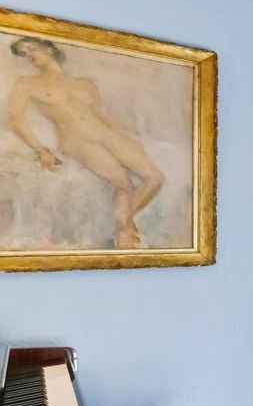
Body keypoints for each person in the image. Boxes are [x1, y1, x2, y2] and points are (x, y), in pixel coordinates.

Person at [7, 36, 164, 249]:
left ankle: (124, 226)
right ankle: (125, 234)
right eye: (25, 54)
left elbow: (100, 113)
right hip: (75, 139)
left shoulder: (85, 83)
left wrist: (124, 135)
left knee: (155, 177)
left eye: (33, 49)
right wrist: (41, 149)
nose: (30, 56)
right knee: (124, 184)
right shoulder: (26, 84)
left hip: (106, 132)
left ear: (49, 49)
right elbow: (15, 119)